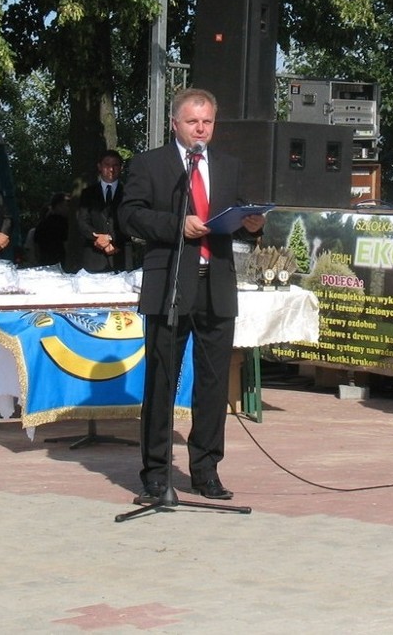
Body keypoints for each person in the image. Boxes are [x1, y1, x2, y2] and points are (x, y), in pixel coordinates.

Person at [119, 87, 264, 503]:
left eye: (207, 122)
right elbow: (130, 214)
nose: (201, 129)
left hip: (215, 284)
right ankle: (156, 473)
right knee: (163, 380)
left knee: (214, 383)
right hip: (170, 284)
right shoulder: (152, 164)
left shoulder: (229, 166)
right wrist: (175, 225)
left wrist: (252, 225)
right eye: (193, 122)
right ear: (175, 124)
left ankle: (206, 469)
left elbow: (237, 214)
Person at [77, 149, 130, 272]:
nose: (111, 169)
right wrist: (97, 238)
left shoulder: (129, 193)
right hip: (94, 256)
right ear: (99, 167)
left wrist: (109, 238)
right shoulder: (87, 193)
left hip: (121, 255)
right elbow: (82, 221)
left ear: (121, 168)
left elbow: (131, 220)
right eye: (107, 165)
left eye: (115, 165)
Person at [33, 192, 70, 267]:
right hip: (61, 262)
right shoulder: (63, 223)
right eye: (67, 205)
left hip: (44, 263)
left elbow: (36, 246)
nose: (69, 208)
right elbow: (67, 244)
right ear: (59, 206)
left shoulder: (42, 223)